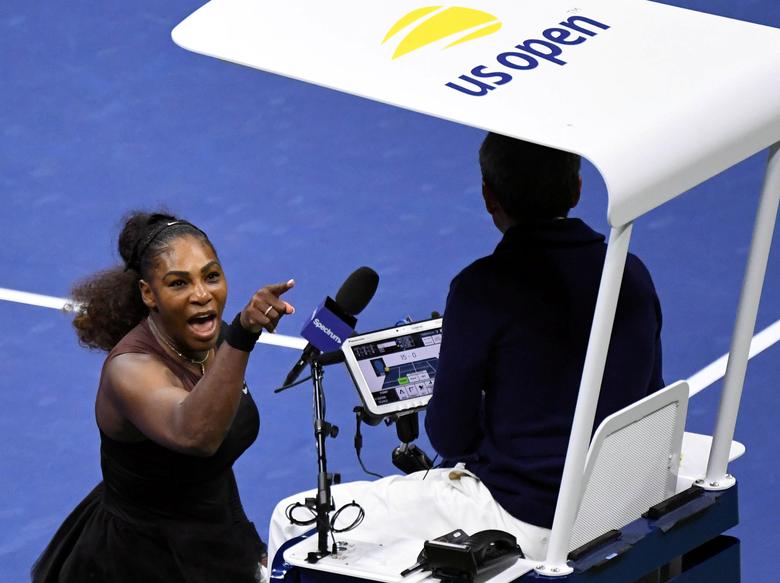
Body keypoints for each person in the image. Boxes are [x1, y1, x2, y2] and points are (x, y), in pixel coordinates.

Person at [267, 133, 662, 565]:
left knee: (293, 520)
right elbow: (649, 396)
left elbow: (449, 436)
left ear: (489, 197)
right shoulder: (632, 271)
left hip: (524, 520)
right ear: (578, 188)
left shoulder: (482, 289)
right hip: (618, 509)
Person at [32, 211, 295, 583]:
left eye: (211, 276)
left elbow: (212, 453)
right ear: (148, 293)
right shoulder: (129, 370)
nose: (202, 294)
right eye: (178, 283)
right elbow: (197, 434)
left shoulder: (210, 340)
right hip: (138, 563)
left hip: (214, 536)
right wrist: (243, 334)